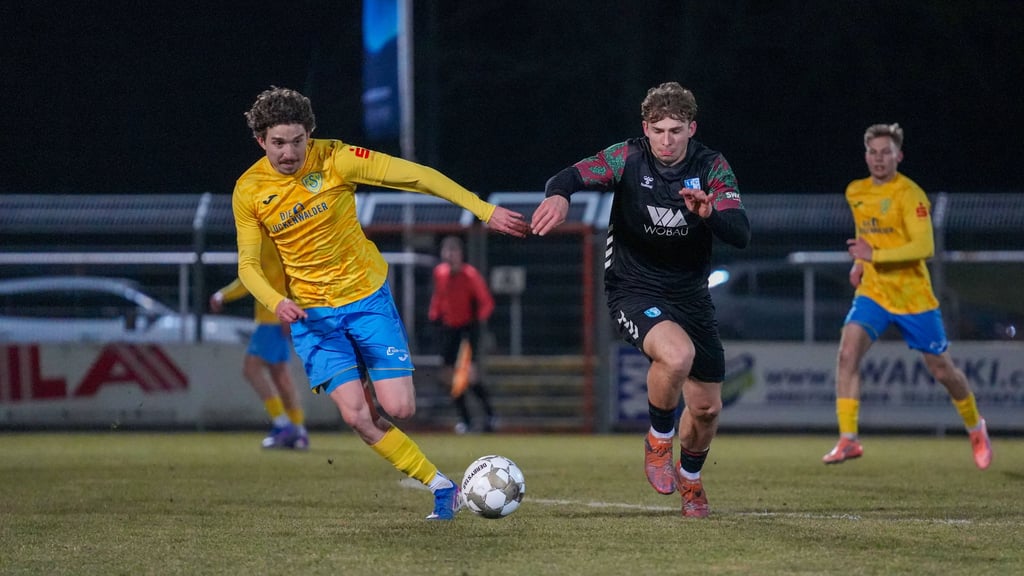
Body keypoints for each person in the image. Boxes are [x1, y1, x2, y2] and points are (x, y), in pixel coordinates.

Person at [232, 86, 528, 520]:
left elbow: (418, 176)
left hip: (365, 299)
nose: (290, 152)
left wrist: (482, 210)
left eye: (298, 140)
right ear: (261, 141)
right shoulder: (250, 190)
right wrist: (277, 302)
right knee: (357, 417)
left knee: (400, 408)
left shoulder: (336, 158)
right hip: (313, 316)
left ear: (310, 135)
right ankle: (440, 486)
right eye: (278, 143)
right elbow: (247, 265)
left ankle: (367, 381)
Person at [531, 82, 750, 518]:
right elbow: (568, 176)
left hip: (691, 297)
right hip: (633, 289)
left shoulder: (712, 167)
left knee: (706, 409)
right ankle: (657, 439)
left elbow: (740, 232)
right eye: (658, 130)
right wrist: (558, 195)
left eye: (676, 130)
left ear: (692, 128)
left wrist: (709, 215)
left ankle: (690, 480)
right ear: (645, 129)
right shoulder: (627, 157)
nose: (667, 141)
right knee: (676, 354)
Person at [822, 123, 993, 469]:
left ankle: (976, 427)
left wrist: (875, 256)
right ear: (866, 155)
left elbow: (924, 246)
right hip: (874, 291)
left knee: (942, 370)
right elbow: (865, 234)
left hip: (913, 296)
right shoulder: (855, 191)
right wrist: (860, 262)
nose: (879, 158)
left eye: (886, 152)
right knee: (847, 352)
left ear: (899, 156)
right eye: (873, 152)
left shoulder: (911, 195)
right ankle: (848, 439)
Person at [210, 233, 309, 450]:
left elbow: (290, 272)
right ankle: (299, 432)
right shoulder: (267, 234)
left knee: (251, 368)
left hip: (272, 317)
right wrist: (224, 295)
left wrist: (290, 306)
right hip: (272, 316)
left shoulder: (270, 236)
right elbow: (253, 279)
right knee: (281, 376)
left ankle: (283, 425)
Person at [428, 235, 497, 434]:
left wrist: (478, 323)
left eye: (453, 252)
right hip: (448, 330)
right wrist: (434, 315)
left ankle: (490, 416)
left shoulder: (471, 275)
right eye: (446, 252)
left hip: (468, 329)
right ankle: (465, 420)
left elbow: (486, 303)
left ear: (460, 254)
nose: (450, 256)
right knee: (449, 378)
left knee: (471, 375)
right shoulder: (439, 273)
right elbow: (439, 298)